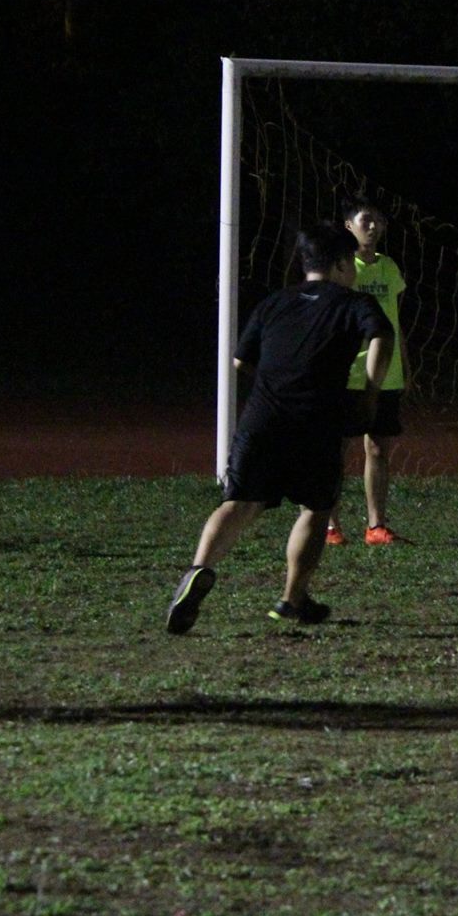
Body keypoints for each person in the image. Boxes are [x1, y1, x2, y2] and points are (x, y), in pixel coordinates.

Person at [166, 222, 393, 633]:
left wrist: (277, 383)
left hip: (262, 417)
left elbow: (240, 361)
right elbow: (381, 335)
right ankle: (292, 597)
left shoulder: (274, 303)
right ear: (343, 264)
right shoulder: (354, 303)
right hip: (317, 419)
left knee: (239, 502)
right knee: (315, 508)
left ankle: (198, 569)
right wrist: (371, 393)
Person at [326, 199, 410, 547]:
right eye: (366, 220)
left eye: (378, 221)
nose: (373, 227)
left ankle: (376, 525)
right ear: (349, 226)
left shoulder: (389, 268)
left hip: (386, 371)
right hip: (348, 372)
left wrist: (404, 363)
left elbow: (394, 320)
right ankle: (330, 526)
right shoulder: (342, 268)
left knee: (377, 448)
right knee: (336, 449)